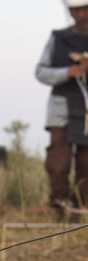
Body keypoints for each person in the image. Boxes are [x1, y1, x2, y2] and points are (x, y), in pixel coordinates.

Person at [35, 0, 88, 220]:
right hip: (61, 110)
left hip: (86, 111)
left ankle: (81, 211)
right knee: (58, 163)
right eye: (75, 10)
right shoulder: (57, 38)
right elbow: (41, 72)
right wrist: (69, 72)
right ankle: (59, 208)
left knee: (86, 164)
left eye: (83, 9)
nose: (80, 14)